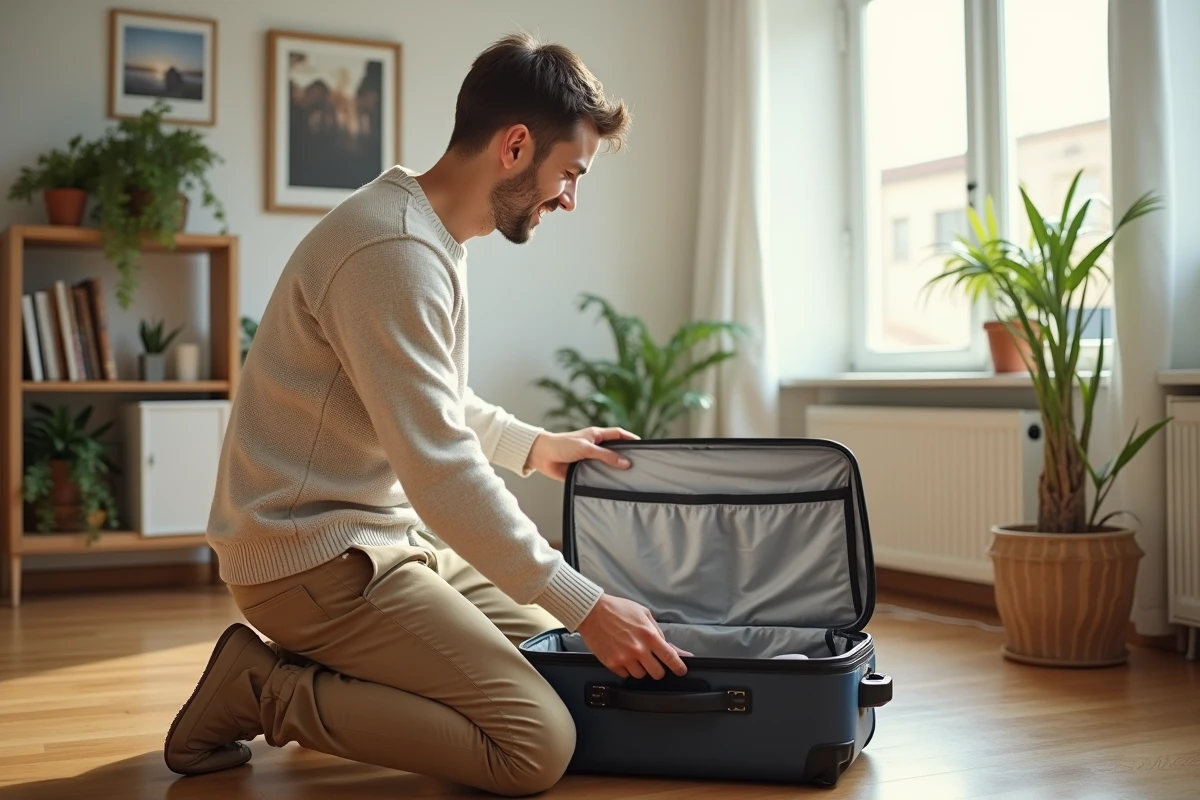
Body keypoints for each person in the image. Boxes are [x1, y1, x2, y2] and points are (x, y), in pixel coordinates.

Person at [162, 31, 689, 797]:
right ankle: (262, 689)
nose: (569, 199)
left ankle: (333, 666)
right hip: (310, 560)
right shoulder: (393, 251)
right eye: (569, 174)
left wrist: (534, 445)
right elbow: (440, 471)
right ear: (515, 146)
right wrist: (588, 603)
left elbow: (426, 397)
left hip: (382, 543)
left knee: (562, 659)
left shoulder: (426, 234)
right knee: (533, 746)